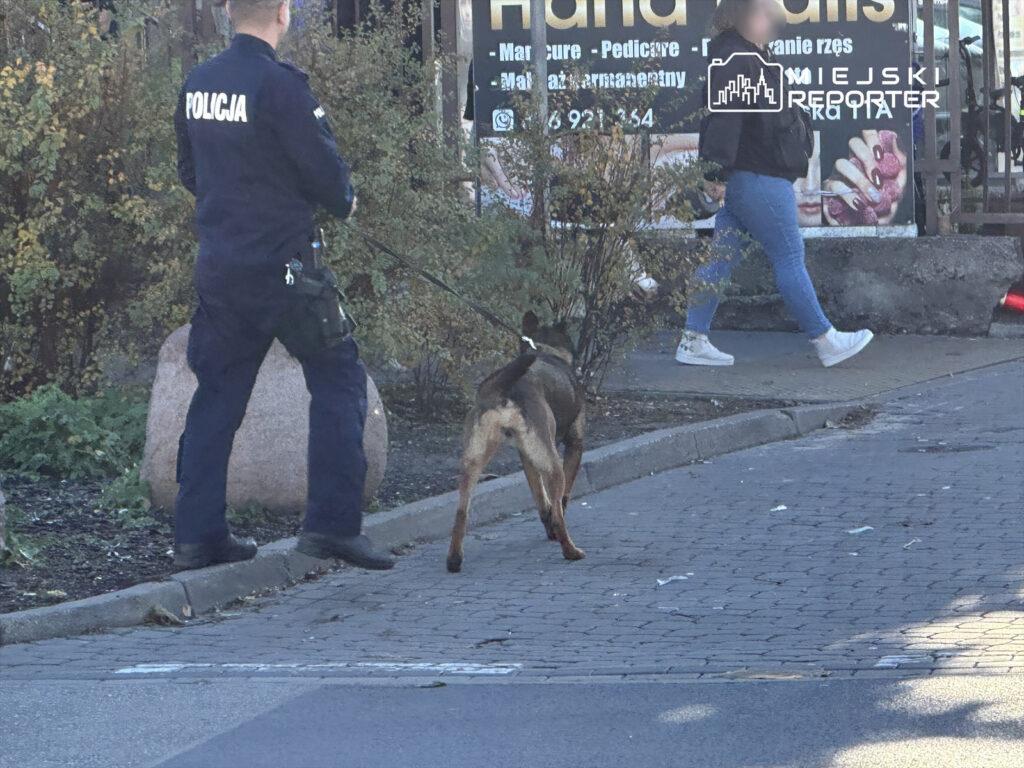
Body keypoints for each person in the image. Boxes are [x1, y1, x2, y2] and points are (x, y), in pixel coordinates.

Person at [172, 0, 394, 571]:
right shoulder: (281, 86)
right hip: (288, 274)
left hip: (222, 270)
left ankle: (199, 537)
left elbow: (191, 173)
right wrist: (343, 201)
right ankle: (332, 528)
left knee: (216, 399)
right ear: (281, 12)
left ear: (226, 10)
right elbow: (326, 176)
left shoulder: (199, 82)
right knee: (340, 379)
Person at [676, 0, 873, 368]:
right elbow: (725, 117)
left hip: (748, 177)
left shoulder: (746, 55)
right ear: (739, 17)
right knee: (789, 256)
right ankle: (826, 339)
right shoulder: (739, 58)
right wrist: (715, 173)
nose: (772, 19)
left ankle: (693, 339)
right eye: (763, 12)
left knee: (720, 261)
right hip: (757, 176)